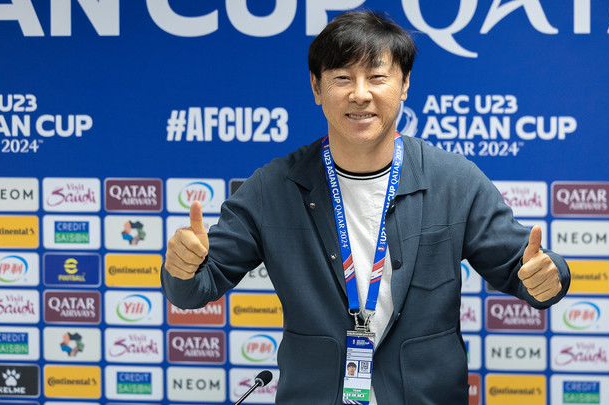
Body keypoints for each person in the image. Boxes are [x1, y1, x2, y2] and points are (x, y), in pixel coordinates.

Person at [161, 10, 570, 404]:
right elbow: (195, 288)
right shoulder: (273, 188)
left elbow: (523, 269)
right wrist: (182, 269)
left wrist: (549, 276)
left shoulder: (454, 180)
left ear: (404, 84)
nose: (360, 93)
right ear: (317, 88)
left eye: (377, 77)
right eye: (342, 78)